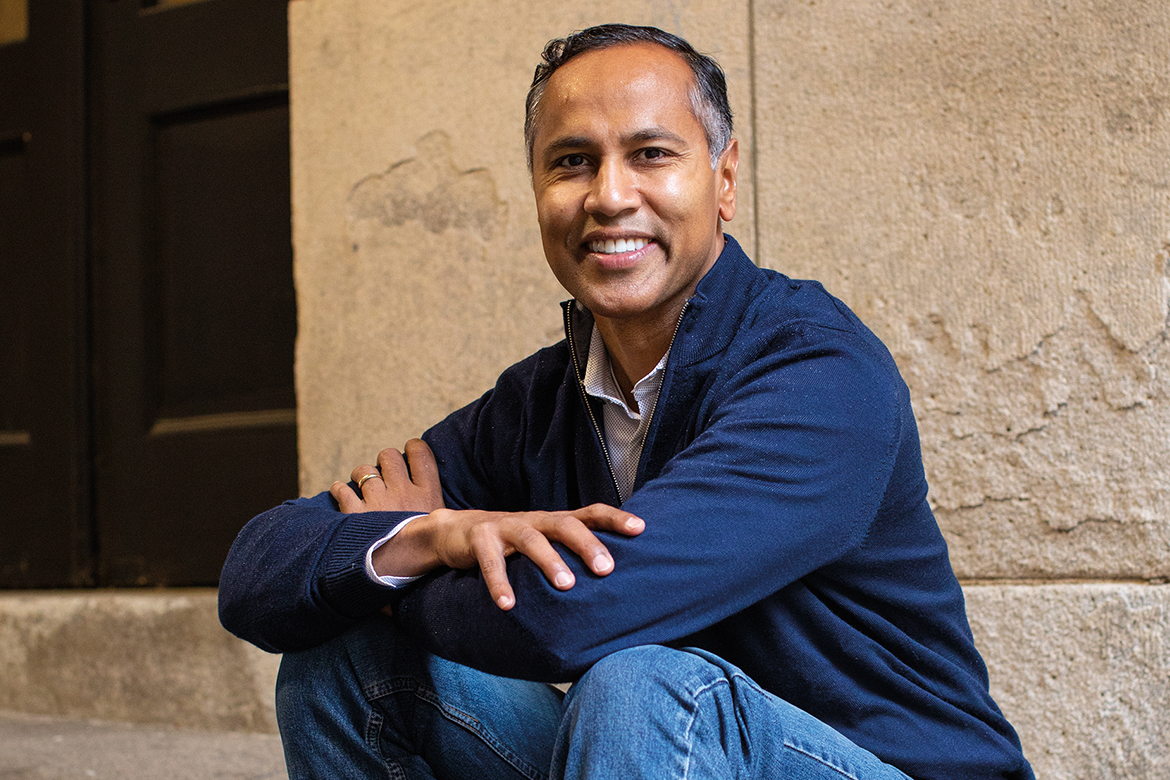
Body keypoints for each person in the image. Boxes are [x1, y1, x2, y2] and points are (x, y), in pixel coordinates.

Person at [219, 23, 1034, 780]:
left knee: (644, 686)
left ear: (723, 179)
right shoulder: (541, 401)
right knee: (345, 661)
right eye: (571, 161)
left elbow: (570, 619)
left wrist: (401, 573)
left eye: (650, 153)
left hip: (879, 766)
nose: (609, 195)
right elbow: (257, 572)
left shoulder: (818, 372)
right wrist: (434, 535)